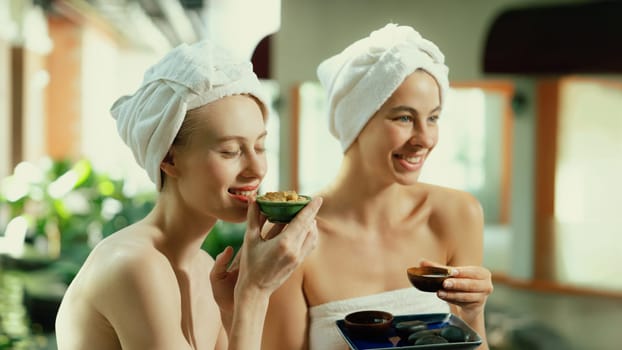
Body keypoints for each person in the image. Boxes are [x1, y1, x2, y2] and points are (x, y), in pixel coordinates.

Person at [55, 39, 322, 350]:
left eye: (260, 146)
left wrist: (232, 311)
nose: (256, 169)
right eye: (230, 151)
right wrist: (254, 292)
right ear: (168, 159)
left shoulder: (205, 267)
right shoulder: (135, 265)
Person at [261, 23, 493, 350]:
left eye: (433, 117)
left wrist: (473, 312)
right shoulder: (293, 237)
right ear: (356, 121)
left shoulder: (456, 215)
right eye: (403, 118)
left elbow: (467, 341)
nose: (425, 139)